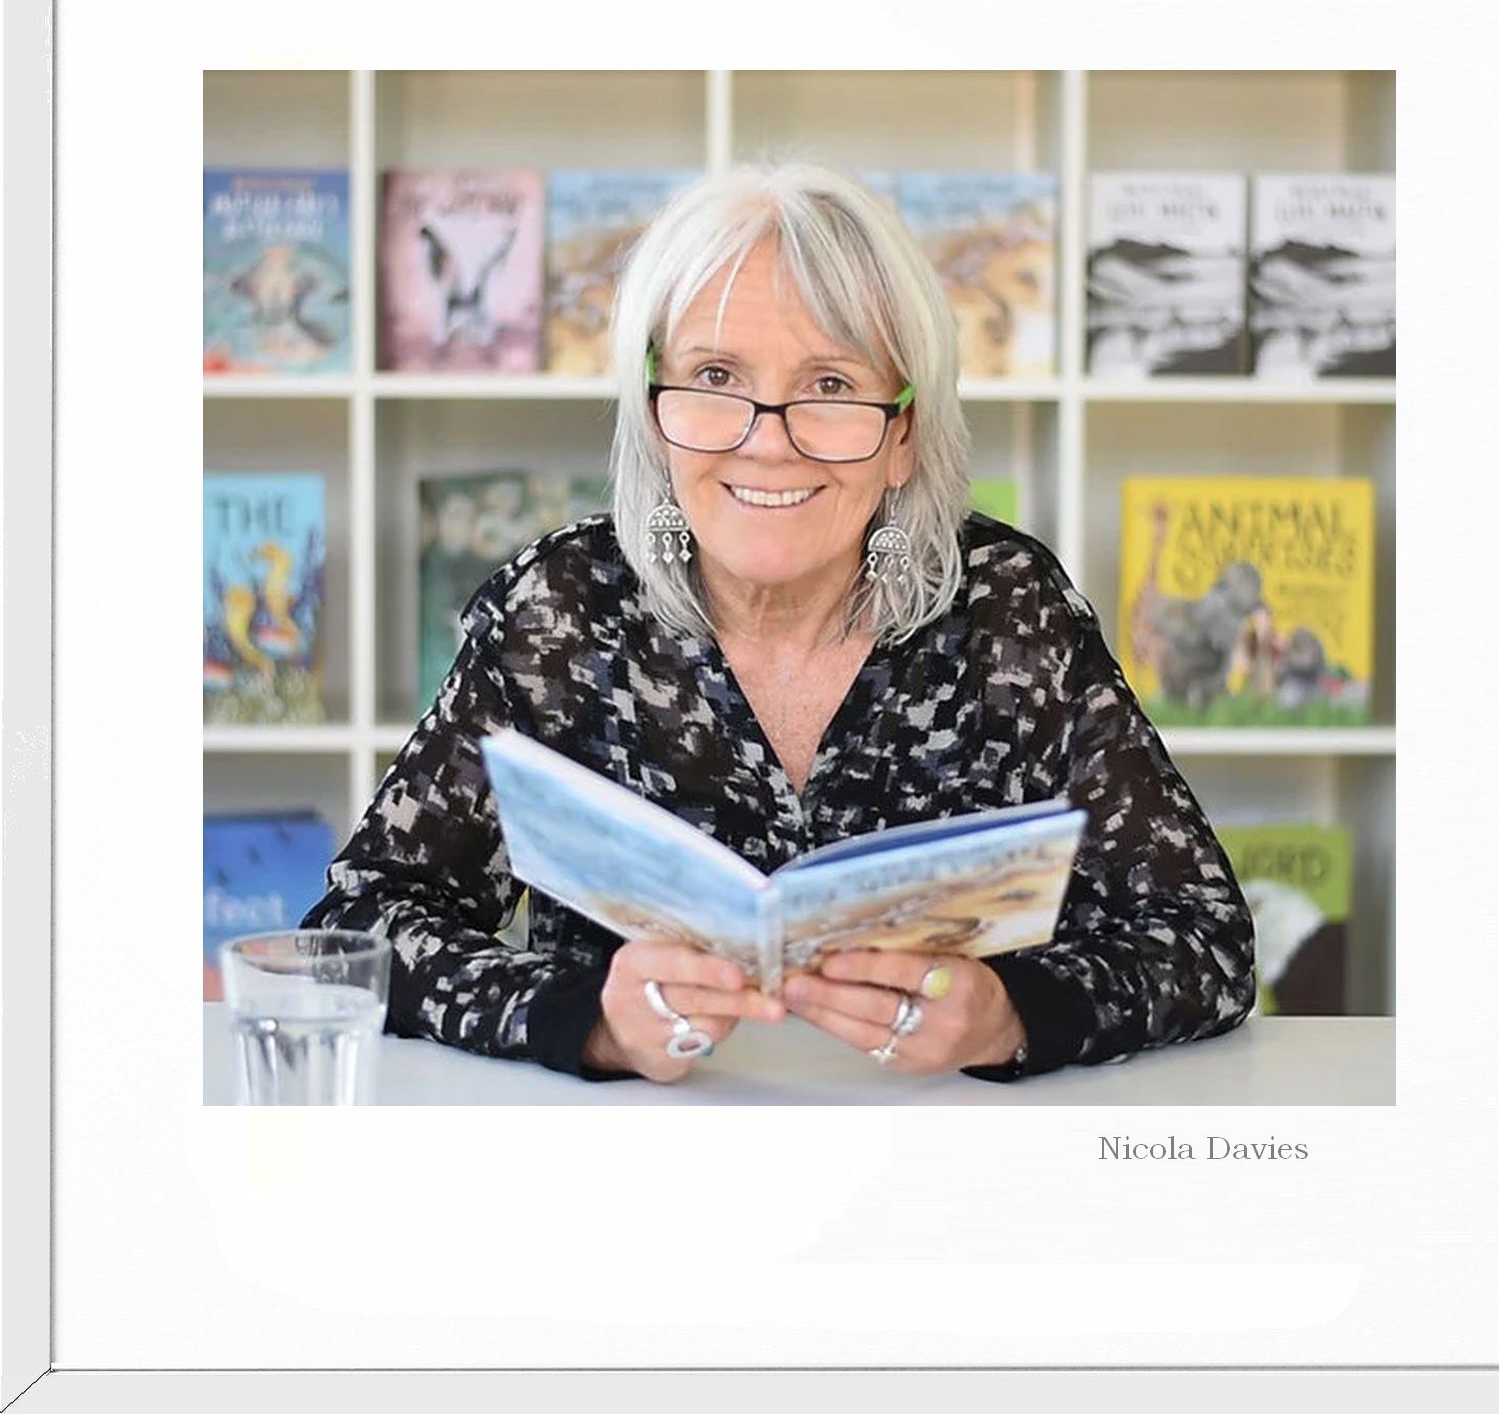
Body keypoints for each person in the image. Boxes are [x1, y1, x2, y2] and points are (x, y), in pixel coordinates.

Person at [299, 161, 1256, 1085]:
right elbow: (360, 922)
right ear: (654, 412)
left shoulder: (1010, 611)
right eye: (716, 374)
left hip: (940, 1152)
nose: (767, 440)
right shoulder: (559, 610)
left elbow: (1204, 936)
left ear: (905, 434)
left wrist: (1010, 1013)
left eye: (831, 385)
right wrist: (589, 1020)